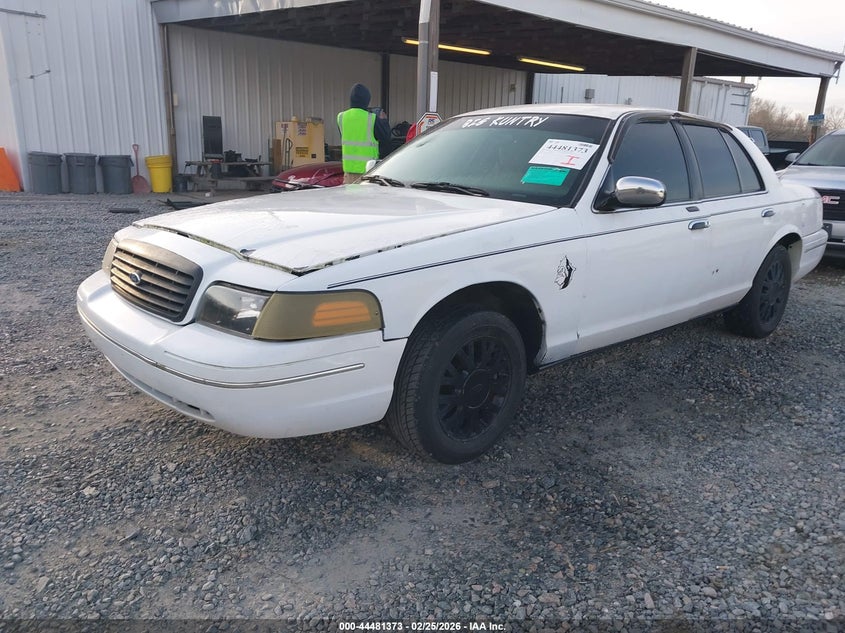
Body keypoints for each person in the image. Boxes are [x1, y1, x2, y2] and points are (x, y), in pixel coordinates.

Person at [337, 83, 390, 184]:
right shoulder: (372, 118)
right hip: (368, 174)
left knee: (350, 199)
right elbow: (386, 140)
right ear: (367, 100)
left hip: (349, 173)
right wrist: (384, 122)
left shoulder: (341, 117)